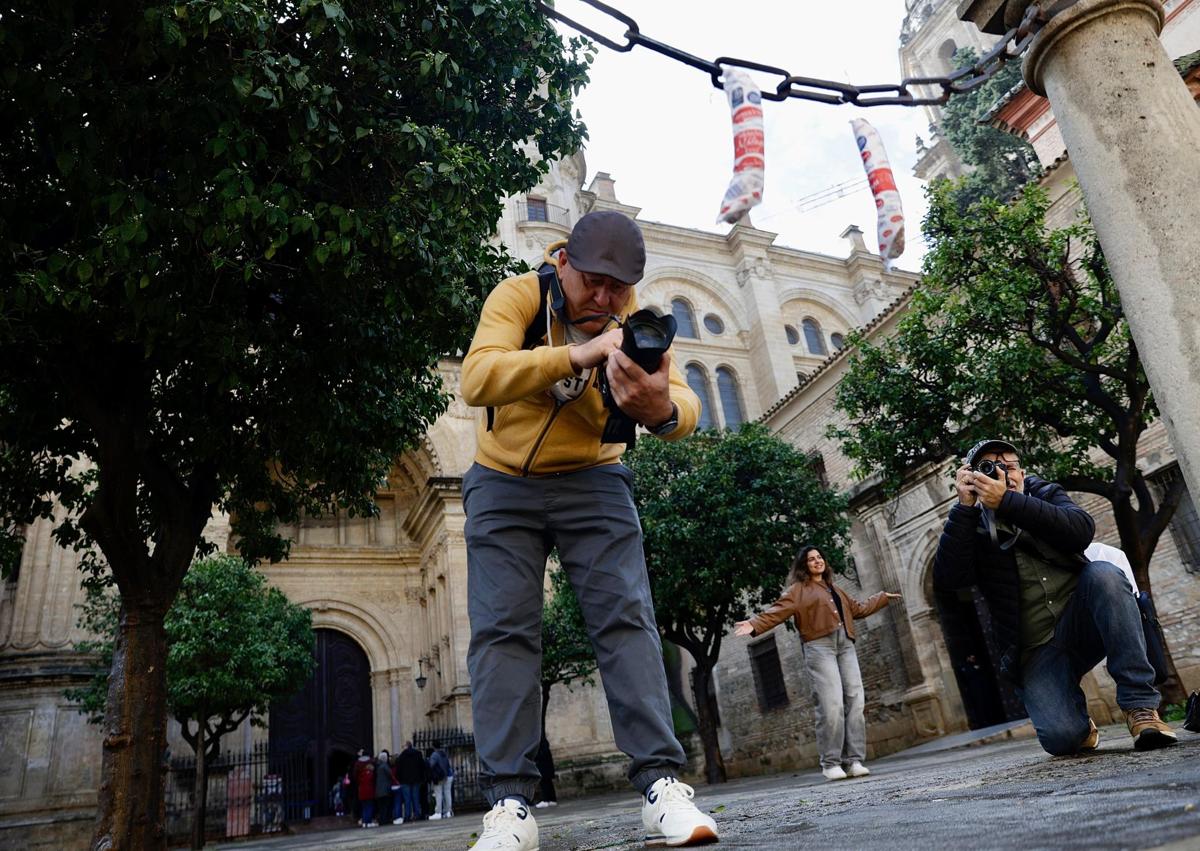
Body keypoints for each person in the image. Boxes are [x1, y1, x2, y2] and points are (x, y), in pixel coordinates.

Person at [460, 210, 718, 850]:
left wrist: (660, 411)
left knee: (627, 619)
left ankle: (662, 786)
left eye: (620, 288)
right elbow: (477, 376)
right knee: (502, 632)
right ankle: (510, 806)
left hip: (596, 482)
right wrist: (576, 354)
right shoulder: (519, 296)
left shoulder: (639, 325)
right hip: (500, 482)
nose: (605, 299)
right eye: (595, 282)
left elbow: (685, 404)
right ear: (565, 262)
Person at [933, 438, 1177, 755]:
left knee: (1103, 574)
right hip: (1036, 649)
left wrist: (1008, 502)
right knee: (1063, 740)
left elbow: (1081, 530)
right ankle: (1075, 720)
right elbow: (949, 579)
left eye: (1009, 466)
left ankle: (1141, 709)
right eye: (989, 468)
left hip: (1082, 622)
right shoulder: (972, 524)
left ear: (1022, 471)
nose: (1002, 474)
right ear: (971, 476)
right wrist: (964, 509)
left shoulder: (1044, 494)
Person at [734, 545, 900, 781]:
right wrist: (755, 624)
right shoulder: (797, 591)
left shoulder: (836, 589)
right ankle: (831, 762)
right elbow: (777, 611)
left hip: (845, 645)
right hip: (819, 647)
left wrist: (882, 598)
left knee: (855, 699)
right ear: (804, 565)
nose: (817, 561)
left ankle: (854, 760)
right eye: (811, 559)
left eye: (819, 557)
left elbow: (859, 609)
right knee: (831, 704)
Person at [394, 741, 425, 824]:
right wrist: (421, 778)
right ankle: (417, 814)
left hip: (405, 780)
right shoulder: (418, 754)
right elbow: (422, 766)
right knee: (416, 798)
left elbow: (398, 770)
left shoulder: (401, 756)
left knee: (407, 799)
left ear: (406, 746)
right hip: (416, 779)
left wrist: (400, 779)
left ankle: (407, 816)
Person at [428, 740, 454, 820]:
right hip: (448, 775)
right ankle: (448, 811)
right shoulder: (444, 753)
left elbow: (431, 765)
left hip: (439, 776)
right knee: (447, 793)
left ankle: (438, 812)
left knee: (438, 794)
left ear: (433, 746)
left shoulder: (434, 755)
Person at [352, 748, 377, 827]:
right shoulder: (370, 764)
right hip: (369, 790)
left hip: (361, 789)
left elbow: (355, 776)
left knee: (364, 806)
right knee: (369, 806)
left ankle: (364, 822)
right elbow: (374, 778)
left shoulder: (358, 764)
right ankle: (368, 821)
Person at [534, 735, 557, 809]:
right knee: (547, 781)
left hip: (542, 764)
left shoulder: (539, 742)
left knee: (544, 781)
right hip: (545, 763)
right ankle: (552, 799)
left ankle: (546, 799)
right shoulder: (542, 742)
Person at [374, 750, 394, 828]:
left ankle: (382, 820)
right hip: (385, 789)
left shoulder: (377, 766)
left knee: (381, 806)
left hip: (378, 790)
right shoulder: (384, 766)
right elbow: (390, 774)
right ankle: (384, 820)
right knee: (385, 805)